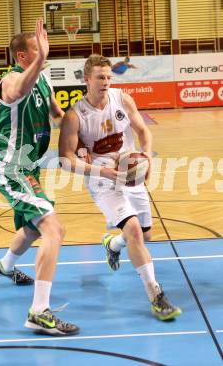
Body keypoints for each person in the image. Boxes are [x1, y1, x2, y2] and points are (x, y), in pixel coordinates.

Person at [59, 54, 182, 321]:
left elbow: (142, 131)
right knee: (135, 230)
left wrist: (147, 155)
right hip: (102, 180)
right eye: (100, 77)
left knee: (145, 236)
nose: (105, 82)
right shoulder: (75, 115)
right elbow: (66, 160)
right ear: (86, 79)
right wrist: (101, 170)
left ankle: (113, 244)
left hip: (130, 173)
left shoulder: (122, 99)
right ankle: (156, 296)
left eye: (108, 77)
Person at [0, 18, 79, 336]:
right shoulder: (10, 80)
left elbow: (60, 116)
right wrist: (42, 59)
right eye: (36, 49)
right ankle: (39, 312)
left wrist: (85, 132)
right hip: (10, 166)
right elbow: (19, 90)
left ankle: (5, 266)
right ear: (22, 56)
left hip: (30, 168)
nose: (42, 51)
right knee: (54, 229)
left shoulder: (44, 81)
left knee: (32, 228)